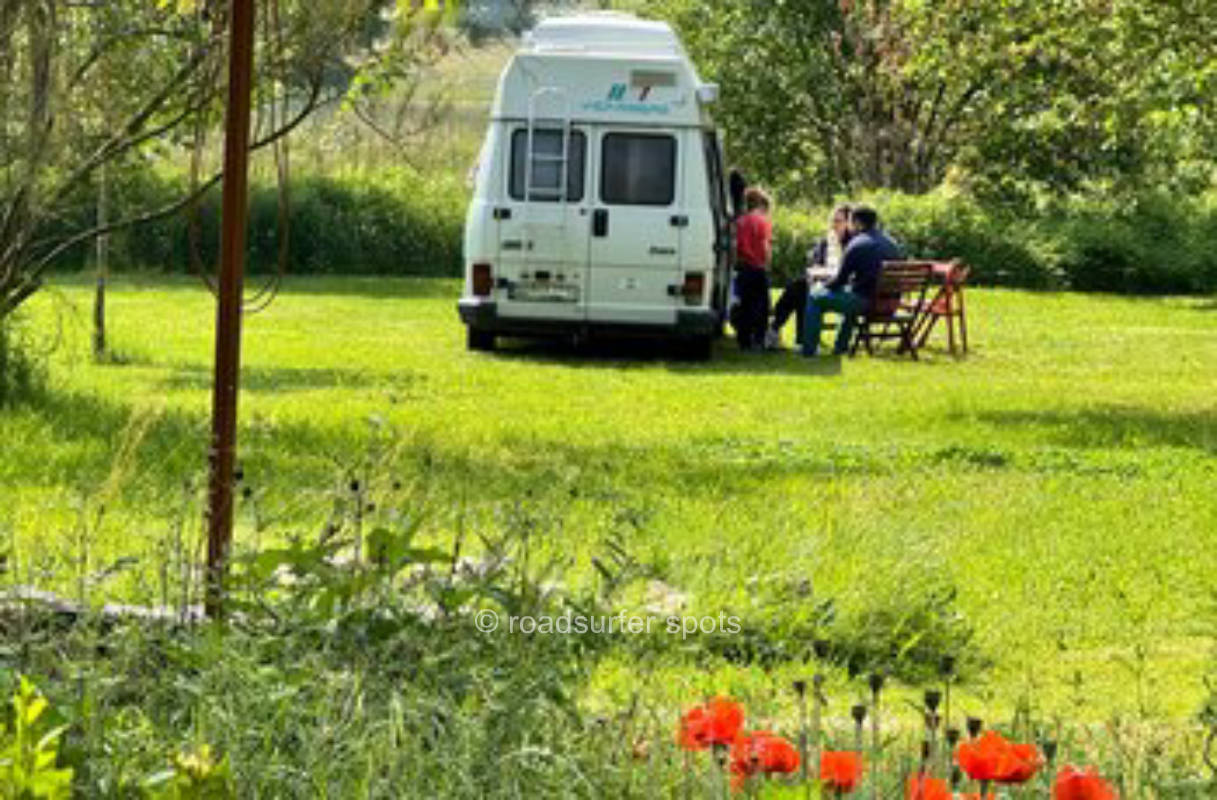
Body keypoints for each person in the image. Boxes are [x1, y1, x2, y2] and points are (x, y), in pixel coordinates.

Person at [801, 205, 903, 357]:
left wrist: (822, 286)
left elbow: (839, 281)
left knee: (814, 297)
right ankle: (840, 347)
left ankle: (809, 350)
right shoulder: (891, 243)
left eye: (850, 222)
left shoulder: (856, 244)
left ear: (857, 223)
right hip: (890, 303)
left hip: (865, 303)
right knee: (850, 293)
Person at [765, 203, 853, 350]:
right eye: (833, 220)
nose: (834, 225)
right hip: (824, 281)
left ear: (849, 223)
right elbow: (815, 262)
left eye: (839, 221)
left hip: (841, 286)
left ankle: (778, 329)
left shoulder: (852, 244)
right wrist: (817, 269)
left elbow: (847, 271)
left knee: (802, 290)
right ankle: (782, 331)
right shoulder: (826, 241)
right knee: (799, 287)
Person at [733, 186, 773, 351]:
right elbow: (765, 246)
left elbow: (736, 246)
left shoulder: (740, 221)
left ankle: (743, 340)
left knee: (745, 305)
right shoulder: (762, 222)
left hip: (743, 268)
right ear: (762, 204)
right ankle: (759, 339)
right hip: (758, 267)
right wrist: (767, 263)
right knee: (762, 306)